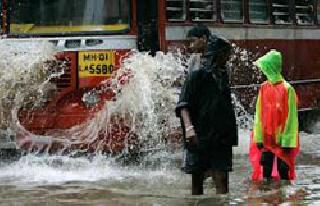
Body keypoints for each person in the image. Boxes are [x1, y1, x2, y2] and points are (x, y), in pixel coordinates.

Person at [175, 25, 238, 195]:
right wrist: (189, 129)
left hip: (221, 138)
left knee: (222, 186)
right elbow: (183, 105)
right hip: (199, 137)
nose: (229, 58)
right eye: (226, 54)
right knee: (197, 186)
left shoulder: (223, 75)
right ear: (217, 54)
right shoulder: (196, 75)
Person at [249, 50, 299, 182]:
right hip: (267, 137)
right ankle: (269, 197)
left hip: (283, 138)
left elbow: (292, 118)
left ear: (271, 67)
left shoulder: (288, 89)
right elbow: (259, 114)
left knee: (283, 169)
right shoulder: (263, 87)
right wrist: (258, 137)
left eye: (265, 67)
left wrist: (288, 142)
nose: (263, 71)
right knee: (266, 166)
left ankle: (282, 197)